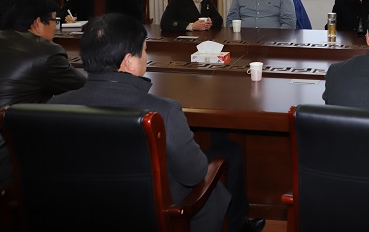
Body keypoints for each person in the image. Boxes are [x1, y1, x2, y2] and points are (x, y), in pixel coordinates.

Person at [48, 14, 265, 232]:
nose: (145, 56)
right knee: (228, 154)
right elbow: (194, 174)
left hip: (79, 213)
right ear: (129, 61)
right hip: (149, 213)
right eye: (144, 50)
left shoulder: (53, 106)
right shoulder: (163, 111)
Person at [0, 0, 86, 188]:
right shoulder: (44, 51)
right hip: (6, 162)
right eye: (54, 21)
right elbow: (87, 90)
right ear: (38, 23)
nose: (55, 27)